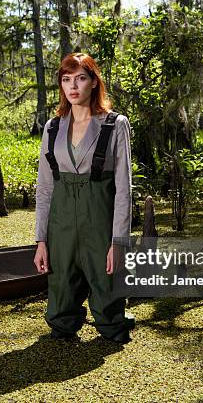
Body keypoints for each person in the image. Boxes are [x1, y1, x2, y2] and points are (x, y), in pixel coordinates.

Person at [34, 53, 133, 343]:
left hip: (99, 217)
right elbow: (44, 188)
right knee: (62, 289)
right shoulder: (52, 127)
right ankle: (64, 325)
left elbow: (124, 188)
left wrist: (118, 242)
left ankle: (114, 323)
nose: (73, 86)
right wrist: (41, 240)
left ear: (93, 82)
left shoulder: (115, 124)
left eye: (80, 78)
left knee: (107, 294)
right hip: (61, 220)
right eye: (66, 79)